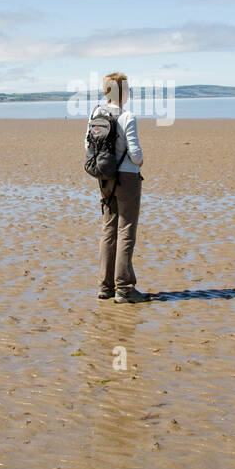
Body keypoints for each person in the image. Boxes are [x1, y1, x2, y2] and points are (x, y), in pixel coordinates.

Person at [89, 72, 149, 303]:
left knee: (109, 228)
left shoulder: (96, 113)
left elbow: (87, 143)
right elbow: (134, 152)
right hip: (127, 178)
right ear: (122, 92)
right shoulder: (127, 116)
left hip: (104, 176)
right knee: (126, 230)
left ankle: (105, 286)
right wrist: (140, 161)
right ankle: (124, 288)